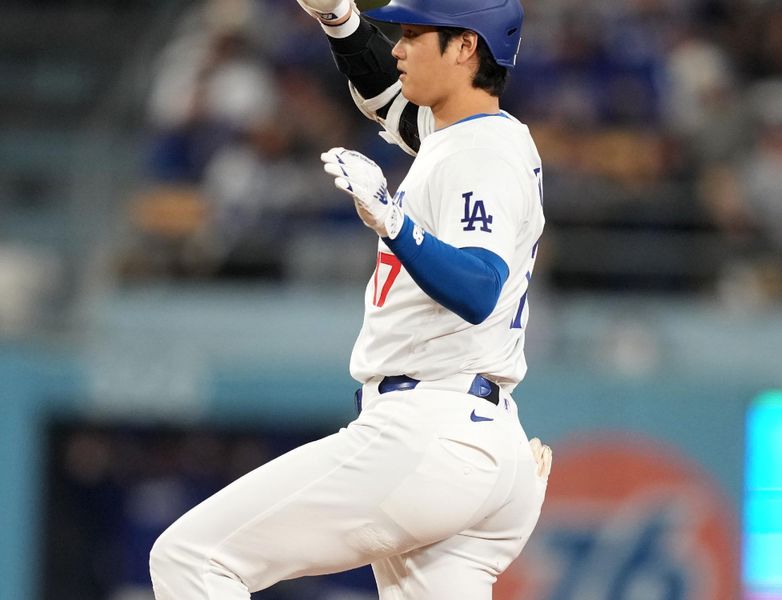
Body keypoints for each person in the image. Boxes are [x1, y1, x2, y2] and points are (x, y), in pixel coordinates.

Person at [148, 1, 551, 598]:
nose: (399, 47)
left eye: (416, 34)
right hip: (479, 435)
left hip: (432, 428)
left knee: (191, 559)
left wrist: (395, 222)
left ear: (467, 47)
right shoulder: (478, 137)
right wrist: (340, 19)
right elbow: (389, 103)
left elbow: (479, 288)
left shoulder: (480, 154)